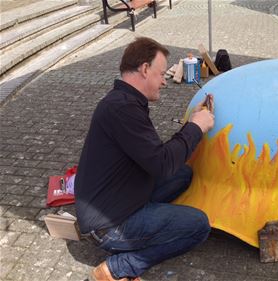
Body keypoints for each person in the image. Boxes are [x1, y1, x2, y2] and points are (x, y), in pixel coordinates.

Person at [74, 37, 215, 281]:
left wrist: (191, 122)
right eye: (161, 74)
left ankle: (152, 220)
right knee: (199, 226)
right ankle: (120, 266)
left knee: (183, 173)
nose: (164, 81)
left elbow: (156, 156)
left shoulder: (124, 102)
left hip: (120, 197)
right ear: (145, 69)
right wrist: (195, 127)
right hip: (109, 226)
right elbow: (160, 164)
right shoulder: (122, 109)